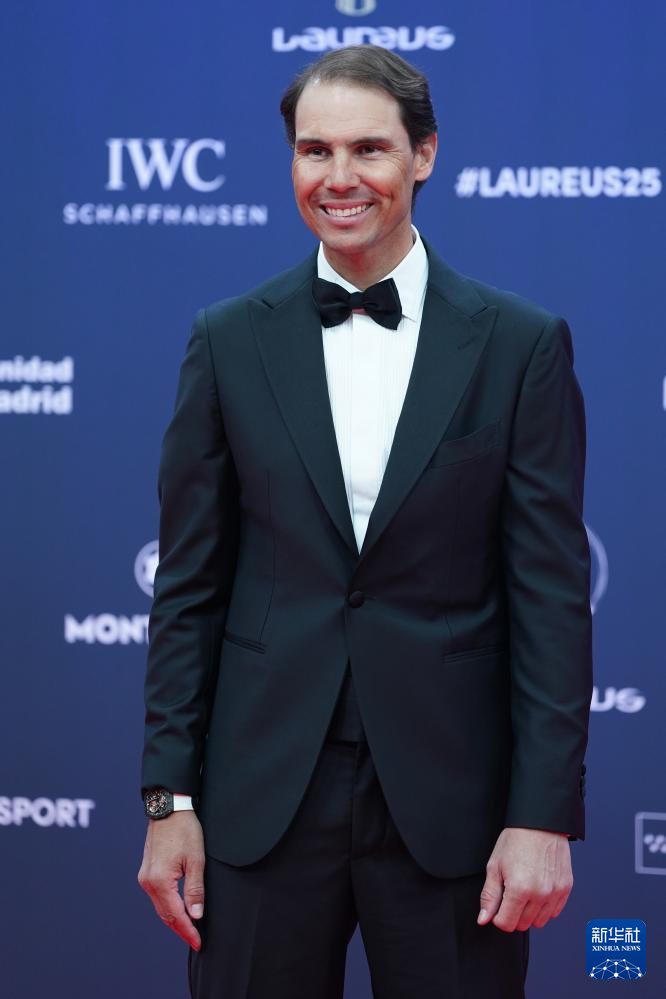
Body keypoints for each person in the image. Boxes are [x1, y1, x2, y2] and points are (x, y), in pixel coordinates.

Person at [138, 44, 592, 999]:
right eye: (315, 151)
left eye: (368, 149)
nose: (338, 178)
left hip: (453, 808)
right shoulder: (228, 339)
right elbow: (187, 590)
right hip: (261, 797)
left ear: (423, 155)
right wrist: (168, 798)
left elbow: (551, 601)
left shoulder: (519, 345)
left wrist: (543, 814)